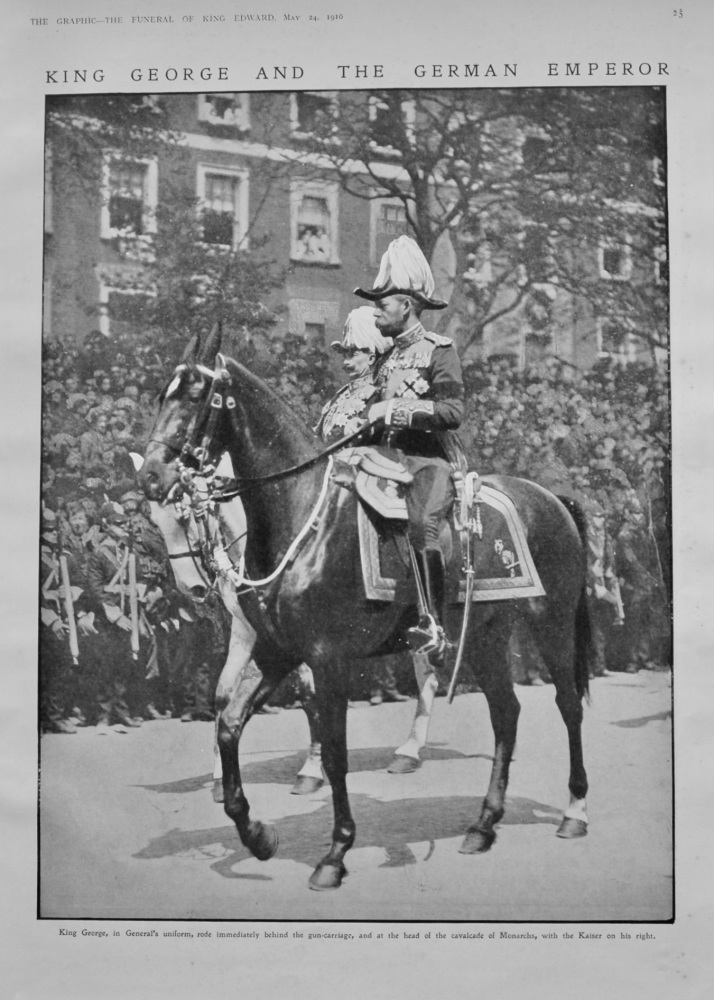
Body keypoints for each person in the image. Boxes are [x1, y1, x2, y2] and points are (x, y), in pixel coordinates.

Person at [354, 235, 464, 660]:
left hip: (427, 460)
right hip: (382, 459)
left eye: (384, 302)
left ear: (406, 304)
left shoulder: (440, 351)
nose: (377, 309)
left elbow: (452, 411)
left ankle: (433, 624)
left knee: (423, 526)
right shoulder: (383, 358)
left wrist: (396, 409)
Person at [318, 307, 408, 705]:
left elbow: (391, 439)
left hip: (371, 474)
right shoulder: (341, 395)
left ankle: (410, 597)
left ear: (373, 353)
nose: (346, 360)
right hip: (331, 477)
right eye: (344, 352)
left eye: (353, 353)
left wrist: (355, 461)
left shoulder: (383, 390)